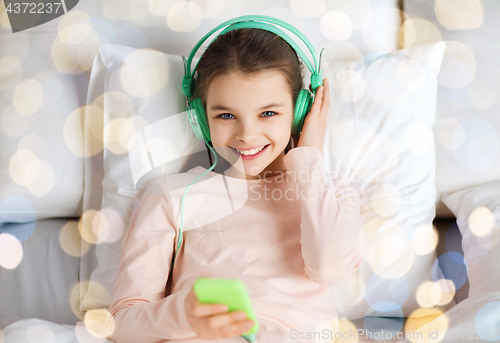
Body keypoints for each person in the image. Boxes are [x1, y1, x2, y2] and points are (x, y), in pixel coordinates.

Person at [105, 27, 363, 343]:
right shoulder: (171, 197)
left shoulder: (330, 193)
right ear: (201, 117)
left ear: (299, 113)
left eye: (268, 112)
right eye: (226, 115)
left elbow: (330, 268)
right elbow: (122, 324)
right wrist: (182, 315)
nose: (247, 134)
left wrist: (308, 159)